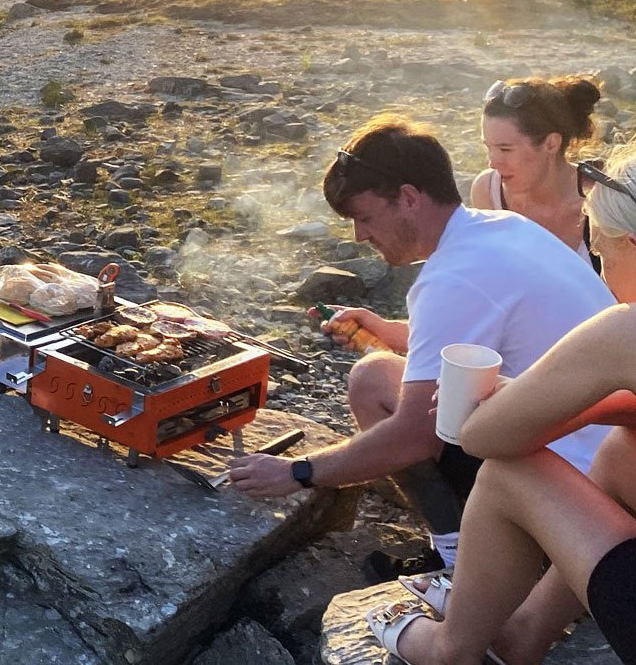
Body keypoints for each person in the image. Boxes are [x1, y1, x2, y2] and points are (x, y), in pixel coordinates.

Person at [370, 141, 636, 665]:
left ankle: (451, 649)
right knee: (625, 453)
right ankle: (523, 633)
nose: (603, 274)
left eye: (600, 251)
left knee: (508, 473)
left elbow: (482, 436)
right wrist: (587, 406)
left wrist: (514, 401)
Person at [227, 116, 614, 579]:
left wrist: (296, 472)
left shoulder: (452, 277)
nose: (360, 236)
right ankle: (464, 551)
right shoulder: (502, 228)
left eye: (365, 218)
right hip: (612, 461)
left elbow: (415, 435)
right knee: (380, 369)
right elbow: (476, 339)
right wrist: (391, 331)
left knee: (373, 384)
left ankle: (461, 565)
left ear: (409, 198)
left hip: (573, 495)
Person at [471, 76, 603, 266]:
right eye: (488, 148)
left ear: (551, 144)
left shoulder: (600, 202)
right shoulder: (488, 192)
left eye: (505, 149)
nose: (493, 163)